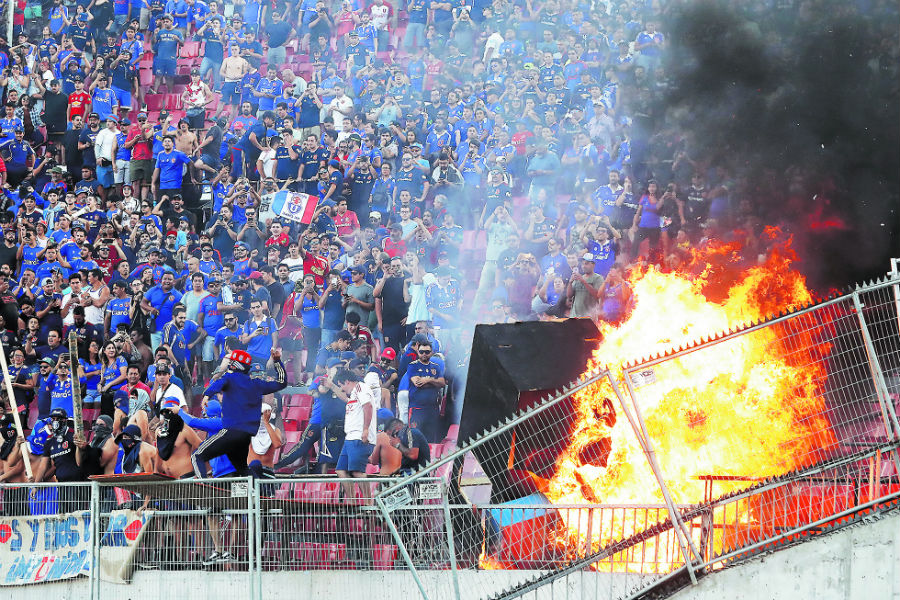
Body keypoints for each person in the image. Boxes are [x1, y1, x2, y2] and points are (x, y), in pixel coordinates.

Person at [191, 348, 286, 477]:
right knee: (242, 469)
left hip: (231, 432)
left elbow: (218, 382)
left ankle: (204, 489)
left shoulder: (230, 378)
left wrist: (207, 395)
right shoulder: (257, 384)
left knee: (197, 456)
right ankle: (258, 492)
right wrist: (277, 362)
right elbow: (282, 383)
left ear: (234, 365)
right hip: (245, 436)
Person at [333, 368, 376, 499]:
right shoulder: (353, 394)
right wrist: (331, 386)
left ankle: (369, 503)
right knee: (341, 470)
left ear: (346, 381)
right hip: (350, 437)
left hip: (358, 436)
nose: (342, 389)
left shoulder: (360, 388)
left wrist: (365, 429)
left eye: (341, 386)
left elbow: (368, 406)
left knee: (357, 471)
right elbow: (348, 401)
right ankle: (352, 501)